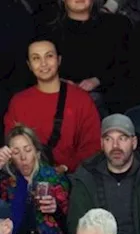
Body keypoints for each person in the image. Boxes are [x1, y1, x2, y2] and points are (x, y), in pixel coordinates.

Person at [2, 38, 100, 173]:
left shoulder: (80, 99)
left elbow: (92, 146)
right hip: (29, 176)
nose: (43, 63)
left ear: (59, 60)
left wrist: (65, 168)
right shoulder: (19, 101)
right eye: (36, 58)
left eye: (49, 56)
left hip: (72, 176)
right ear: (29, 65)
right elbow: (11, 144)